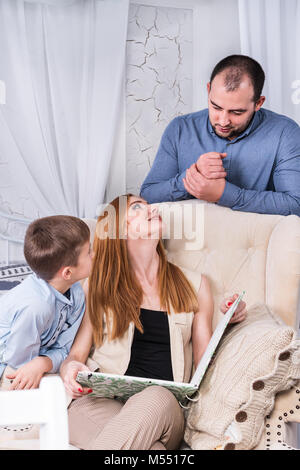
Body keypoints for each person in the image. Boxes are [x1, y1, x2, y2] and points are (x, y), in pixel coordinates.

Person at [60, 194, 247, 450]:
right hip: (98, 402)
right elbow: (76, 355)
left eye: (149, 205)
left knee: (155, 397)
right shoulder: (98, 286)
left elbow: (204, 365)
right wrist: (70, 370)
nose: (151, 209)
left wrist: (227, 323)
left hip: (164, 409)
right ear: (120, 230)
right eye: (137, 207)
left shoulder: (195, 285)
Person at [140, 55, 300, 216]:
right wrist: (193, 178)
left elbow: (296, 204)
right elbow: (148, 195)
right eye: (216, 107)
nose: (223, 121)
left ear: (258, 103)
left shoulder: (285, 133)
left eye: (237, 112)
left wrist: (225, 194)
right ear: (209, 90)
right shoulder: (180, 129)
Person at [0, 215, 93, 391]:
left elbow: (65, 350)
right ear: (67, 272)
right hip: (9, 365)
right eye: (89, 252)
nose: (94, 255)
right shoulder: (36, 307)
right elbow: (20, 366)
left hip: (32, 361)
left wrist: (44, 362)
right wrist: (44, 363)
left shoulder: (76, 292)